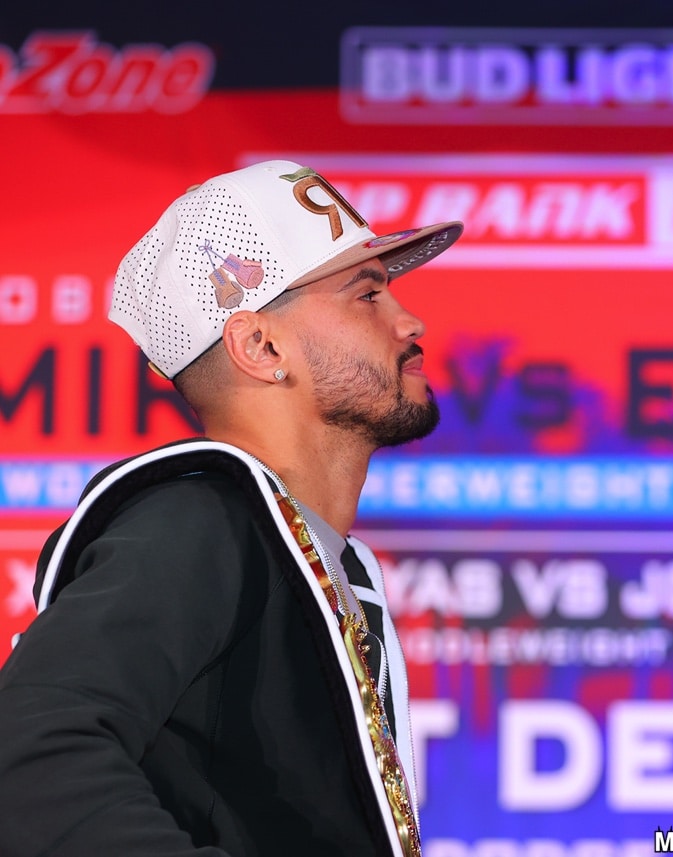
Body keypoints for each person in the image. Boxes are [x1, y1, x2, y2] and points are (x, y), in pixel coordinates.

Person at [0, 160, 463, 856]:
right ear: (260, 345)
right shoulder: (197, 523)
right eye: (367, 294)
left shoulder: (297, 548)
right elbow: (27, 748)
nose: (408, 320)